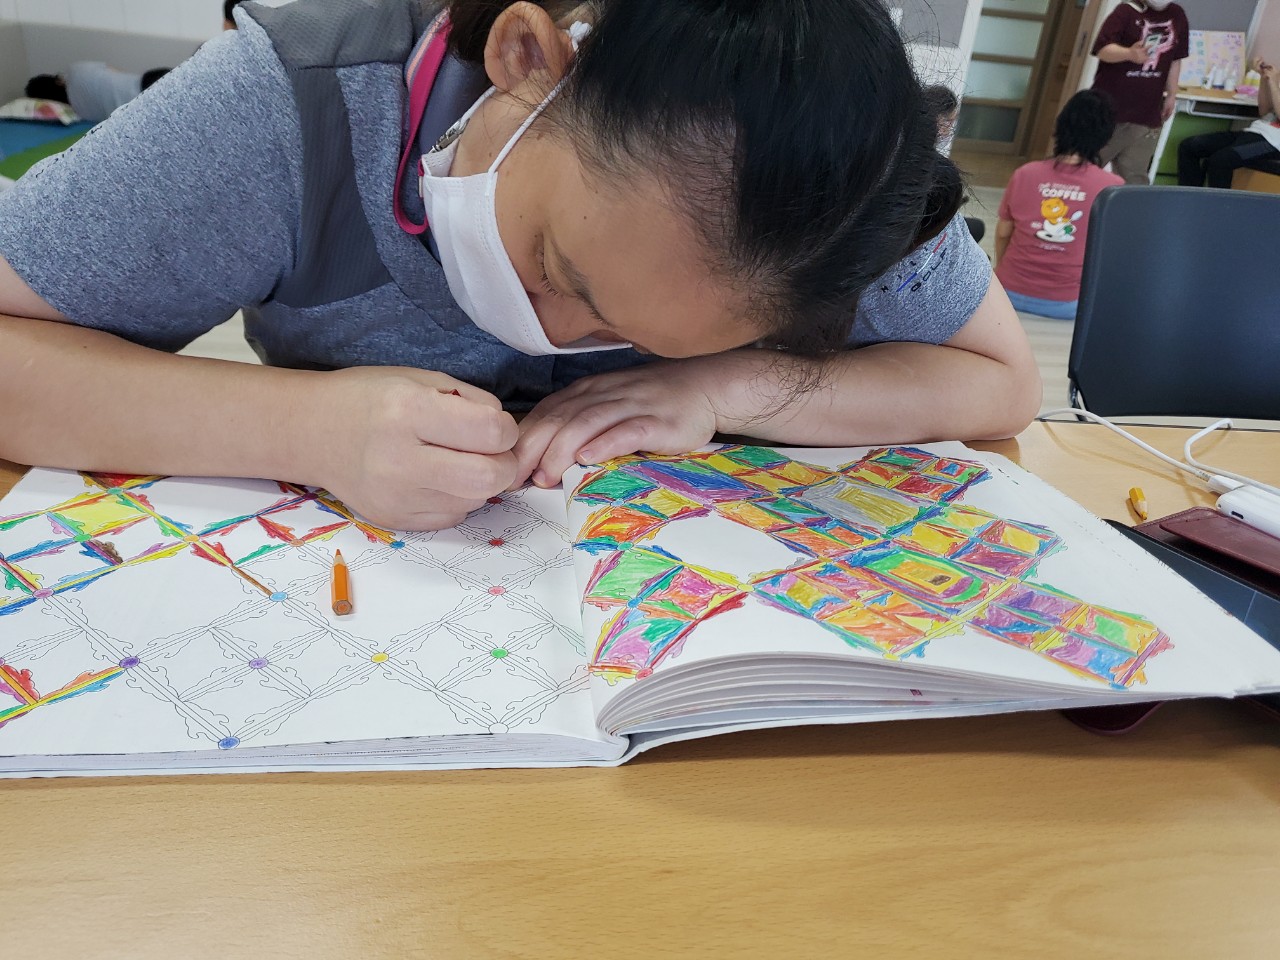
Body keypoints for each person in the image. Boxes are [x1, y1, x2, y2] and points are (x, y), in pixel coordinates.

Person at [0, 0, 1040, 532]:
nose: (551, 332)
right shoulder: (295, 104)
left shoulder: (835, 202)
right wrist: (306, 429)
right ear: (525, 58)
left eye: (631, 337)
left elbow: (999, 383)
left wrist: (718, 387)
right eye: (559, 269)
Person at [994, 91, 1124, 321]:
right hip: (1067, 304)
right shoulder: (1112, 188)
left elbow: (1003, 233)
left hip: (1007, 293)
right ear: (1105, 136)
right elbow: (1108, 254)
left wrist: (1005, 274)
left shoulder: (1025, 173)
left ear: (1060, 126)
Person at [1090, 0, 1189, 184]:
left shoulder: (1177, 15)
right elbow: (1102, 49)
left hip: (1146, 113)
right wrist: (1129, 53)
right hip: (1108, 111)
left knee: (1135, 178)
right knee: (1087, 167)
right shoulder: (1126, 10)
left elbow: (1175, 59)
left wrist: (1171, 94)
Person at [1178, 57, 1280, 188]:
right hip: (1256, 133)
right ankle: (1188, 197)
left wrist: (1273, 82)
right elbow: (1264, 111)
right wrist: (1264, 78)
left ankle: (1219, 202)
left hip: (1274, 143)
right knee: (1189, 146)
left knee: (1220, 161)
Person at [24, 64, 170, 123]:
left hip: (139, 113)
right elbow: (114, 71)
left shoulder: (78, 112)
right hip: (148, 82)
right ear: (56, 81)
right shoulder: (77, 69)